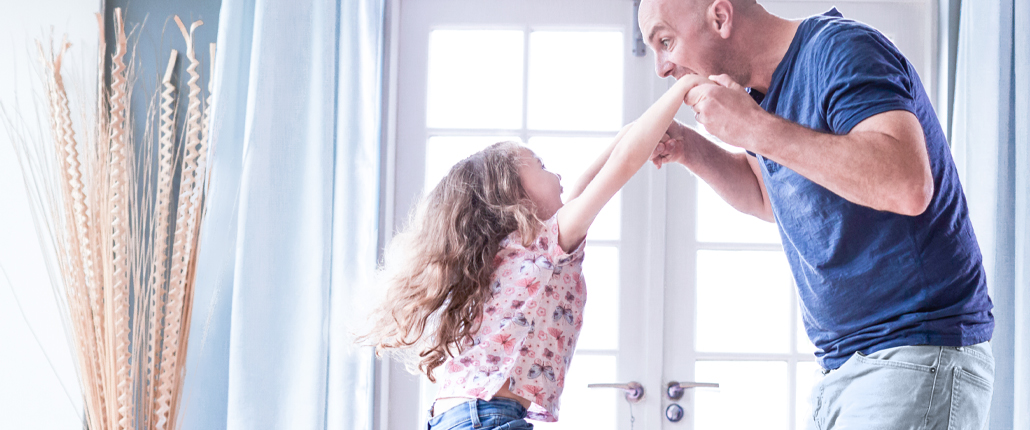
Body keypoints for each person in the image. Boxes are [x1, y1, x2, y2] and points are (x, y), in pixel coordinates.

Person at [640, 0, 996, 428]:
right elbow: (766, 196)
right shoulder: (760, 93)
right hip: (845, 365)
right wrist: (688, 147)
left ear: (720, 17)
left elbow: (907, 184)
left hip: (913, 349)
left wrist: (754, 129)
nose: (661, 67)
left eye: (665, 41)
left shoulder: (842, 50)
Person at [358, 75, 709, 429]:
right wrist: (680, 90)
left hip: (458, 415)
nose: (556, 174)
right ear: (516, 198)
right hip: (486, 416)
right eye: (541, 167)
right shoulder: (543, 245)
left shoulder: (518, 252)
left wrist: (640, 129)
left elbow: (595, 174)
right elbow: (622, 163)